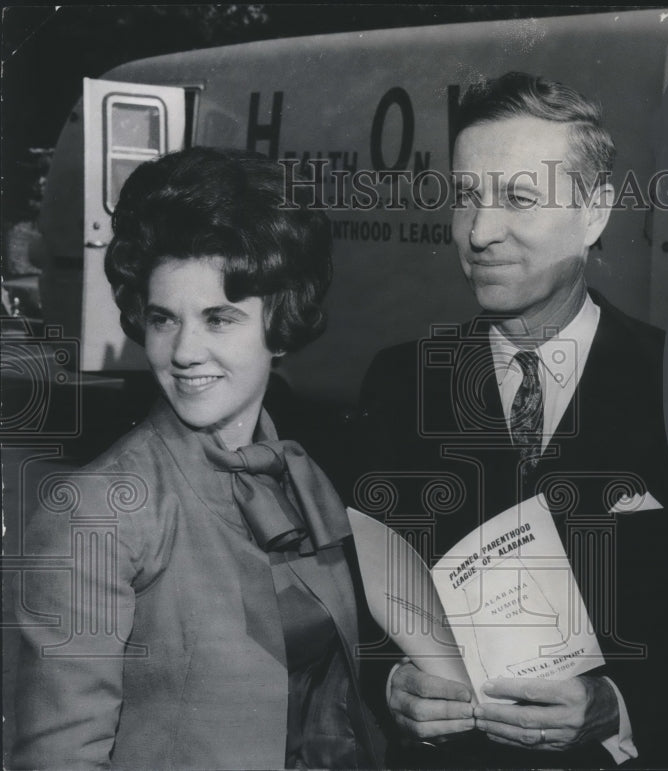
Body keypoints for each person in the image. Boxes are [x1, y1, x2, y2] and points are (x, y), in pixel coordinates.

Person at [356, 72, 668, 768]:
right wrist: (392, 682)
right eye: (465, 197)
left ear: (595, 212)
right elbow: (368, 602)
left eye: (517, 197)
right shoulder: (400, 383)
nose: (480, 232)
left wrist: (619, 704)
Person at [12, 147, 384, 769]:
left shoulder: (299, 472)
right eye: (163, 319)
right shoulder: (95, 512)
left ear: (280, 322)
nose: (184, 351)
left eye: (219, 319)